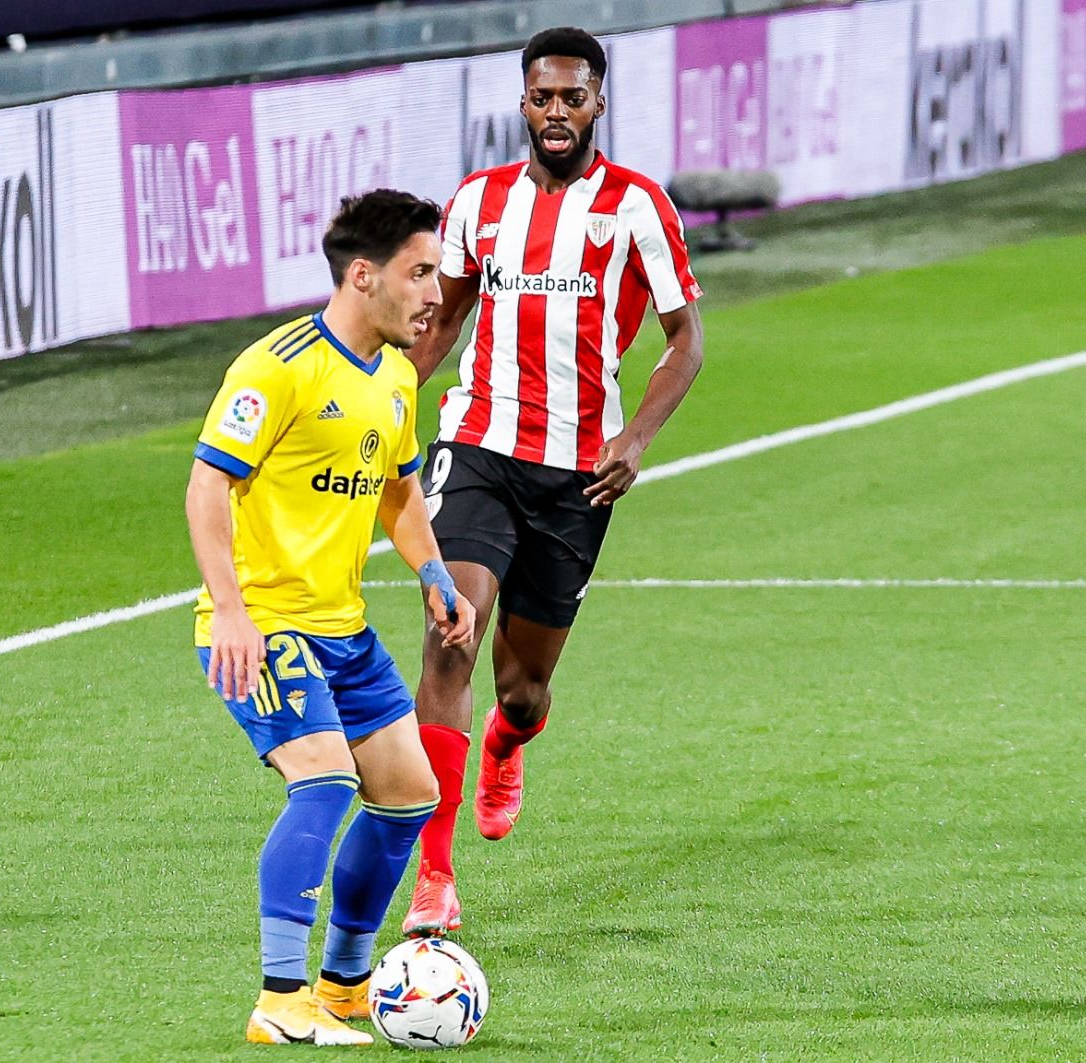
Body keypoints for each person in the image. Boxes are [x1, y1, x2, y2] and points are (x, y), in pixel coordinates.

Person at [398, 26, 704, 936]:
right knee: (451, 633)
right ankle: (435, 879)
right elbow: (442, 321)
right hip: (478, 446)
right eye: (543, 98)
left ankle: (506, 739)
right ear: (523, 103)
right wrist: (376, 398)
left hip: (578, 472)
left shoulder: (639, 207)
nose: (557, 113)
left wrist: (638, 435)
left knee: (522, 686)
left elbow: (686, 341)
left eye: (574, 98)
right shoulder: (478, 203)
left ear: (598, 102)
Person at [186, 189, 476, 1045]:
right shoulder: (276, 368)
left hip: (342, 629)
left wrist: (430, 568)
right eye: (419, 273)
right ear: (363, 275)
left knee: (407, 794)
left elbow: (397, 488)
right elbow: (208, 487)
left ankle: (345, 990)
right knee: (325, 778)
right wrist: (232, 613)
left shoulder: (393, 375)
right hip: (265, 624)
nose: (434, 293)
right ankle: (279, 999)